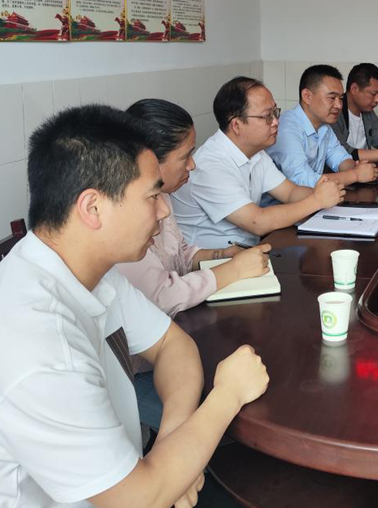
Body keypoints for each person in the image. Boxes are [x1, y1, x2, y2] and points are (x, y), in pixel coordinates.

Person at [0, 104, 270, 508]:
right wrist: (228, 394)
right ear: (92, 208)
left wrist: (173, 448)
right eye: (153, 195)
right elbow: (139, 501)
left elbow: (173, 345)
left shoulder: (80, 267)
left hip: (118, 482)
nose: (165, 209)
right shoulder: (37, 346)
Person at [116, 98, 272, 431]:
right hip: (135, 371)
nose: (193, 165)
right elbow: (162, 297)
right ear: (150, 160)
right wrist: (233, 272)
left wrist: (223, 255)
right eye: (185, 156)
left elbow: (181, 252)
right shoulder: (125, 219)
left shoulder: (162, 196)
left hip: (173, 344)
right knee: (228, 419)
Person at [172, 76, 345, 248]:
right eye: (267, 116)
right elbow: (258, 221)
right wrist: (317, 200)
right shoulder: (209, 165)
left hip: (249, 252)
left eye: (275, 112)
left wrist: (322, 192)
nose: (276, 122)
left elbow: (290, 192)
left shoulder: (256, 153)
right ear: (236, 125)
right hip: (213, 260)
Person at [267, 65, 378, 188]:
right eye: (332, 98)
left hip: (314, 198)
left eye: (341, 98)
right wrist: (355, 175)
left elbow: (341, 159)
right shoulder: (287, 128)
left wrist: (358, 168)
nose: (339, 105)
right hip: (283, 200)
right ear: (307, 96)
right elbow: (301, 180)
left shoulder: (324, 127)